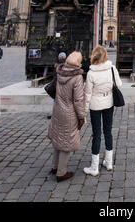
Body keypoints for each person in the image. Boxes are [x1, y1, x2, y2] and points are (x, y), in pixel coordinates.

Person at [84, 46, 122, 177]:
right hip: (108, 102)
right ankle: (109, 162)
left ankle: (94, 167)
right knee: (108, 131)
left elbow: (87, 94)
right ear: (105, 55)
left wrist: (84, 111)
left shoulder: (91, 73)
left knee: (97, 134)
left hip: (95, 105)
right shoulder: (111, 68)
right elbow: (119, 84)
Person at [48, 51, 85, 182]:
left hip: (57, 109)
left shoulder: (60, 72)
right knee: (66, 142)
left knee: (58, 137)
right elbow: (78, 100)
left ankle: (54, 166)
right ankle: (61, 173)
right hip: (69, 113)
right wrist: (82, 116)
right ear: (78, 62)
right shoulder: (77, 77)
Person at [47, 52, 67, 120]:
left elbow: (55, 78)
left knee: (55, 101)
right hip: (65, 88)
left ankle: (55, 114)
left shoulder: (57, 68)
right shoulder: (68, 68)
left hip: (58, 87)